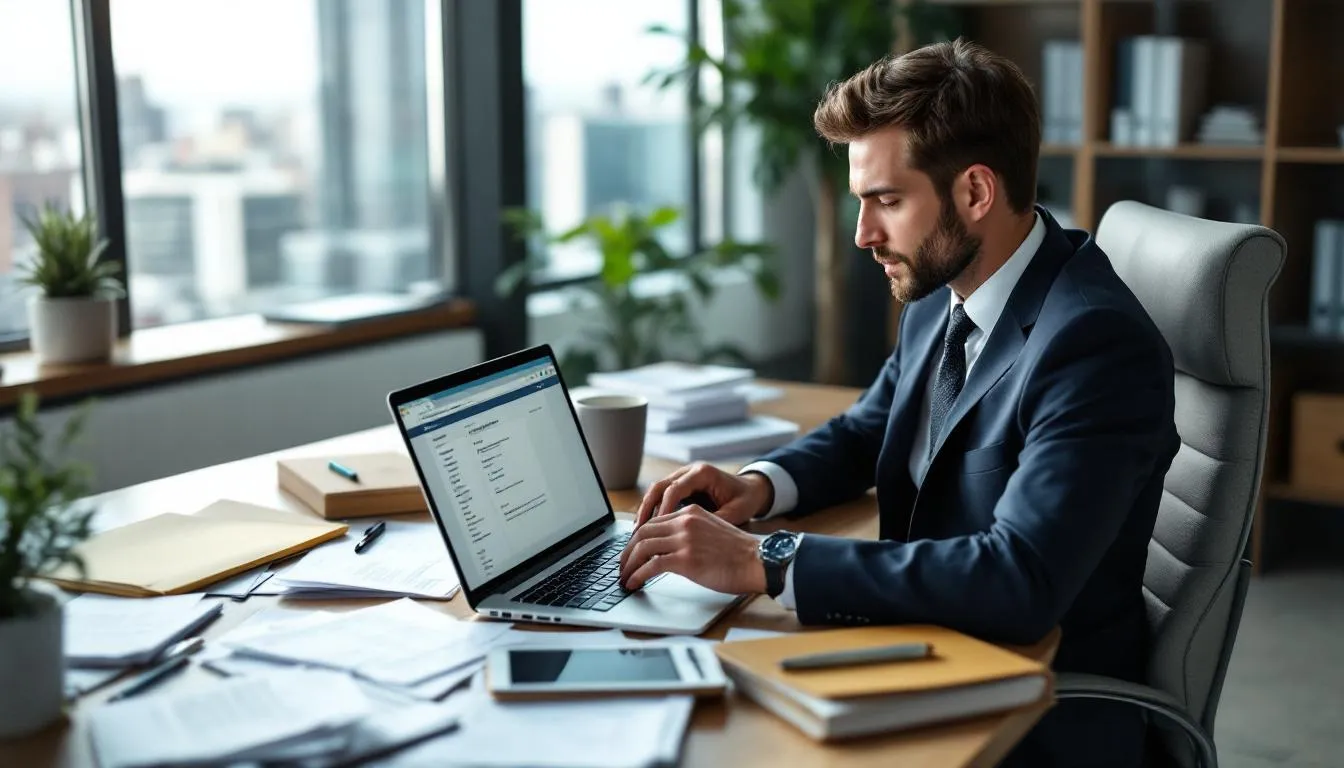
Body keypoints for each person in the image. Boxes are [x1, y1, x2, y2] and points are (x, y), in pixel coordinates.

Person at [617, 39, 1179, 767]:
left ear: (975, 192)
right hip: (929, 646)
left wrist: (771, 561)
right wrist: (757, 486)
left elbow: (1021, 579)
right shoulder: (945, 291)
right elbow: (866, 430)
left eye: (886, 201)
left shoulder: (1093, 343)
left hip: (1029, 705)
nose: (863, 235)